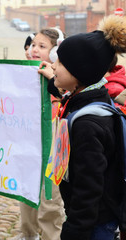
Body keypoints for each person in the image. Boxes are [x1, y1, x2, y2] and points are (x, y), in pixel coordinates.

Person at [38, 14, 126, 240]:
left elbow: (89, 189)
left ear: (80, 73)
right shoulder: (95, 97)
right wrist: (53, 80)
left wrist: (74, 231)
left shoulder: (88, 125)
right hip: (98, 218)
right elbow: (72, 98)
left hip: (94, 225)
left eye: (60, 63)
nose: (54, 65)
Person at [19, 28, 66, 240]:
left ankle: (51, 236)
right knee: (26, 192)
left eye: (41, 46)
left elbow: (68, 100)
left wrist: (53, 80)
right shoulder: (23, 74)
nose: (33, 50)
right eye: (32, 45)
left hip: (53, 149)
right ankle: (28, 234)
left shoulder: (61, 78)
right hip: (28, 145)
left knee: (51, 199)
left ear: (55, 53)